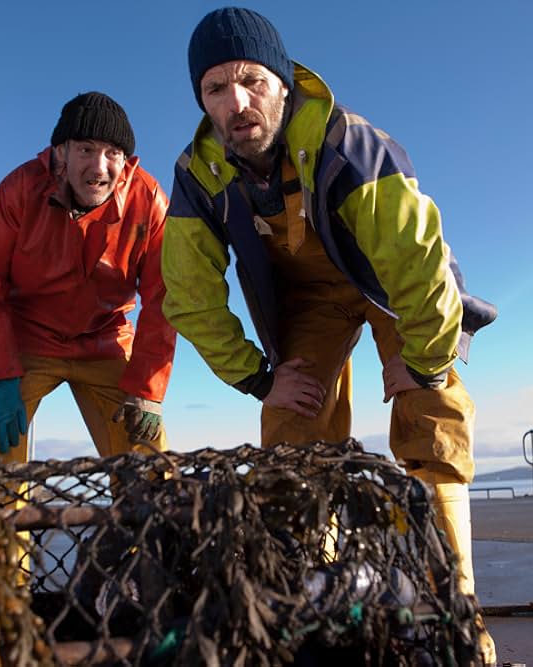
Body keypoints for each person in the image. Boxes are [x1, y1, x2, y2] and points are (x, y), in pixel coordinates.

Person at [161, 8, 498, 664]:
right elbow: (191, 295)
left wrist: (427, 361)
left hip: (389, 284)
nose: (237, 102)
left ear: (283, 83)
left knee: (433, 418)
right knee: (291, 424)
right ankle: (313, 594)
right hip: (308, 300)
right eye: (216, 89)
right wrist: (260, 375)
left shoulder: (350, 144)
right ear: (201, 101)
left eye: (252, 80)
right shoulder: (198, 175)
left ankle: (456, 611)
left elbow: (417, 259)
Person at [0, 92, 177, 465]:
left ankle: (148, 521)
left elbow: (163, 295)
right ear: (60, 152)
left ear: (126, 161)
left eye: (113, 153)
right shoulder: (19, 190)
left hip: (105, 340)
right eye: (85, 149)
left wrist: (148, 389)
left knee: (146, 458)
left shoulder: (150, 199)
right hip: (27, 339)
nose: (99, 166)